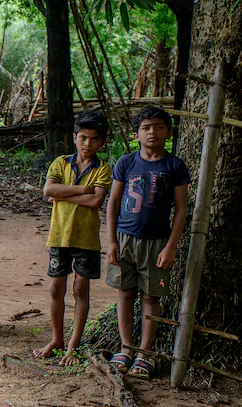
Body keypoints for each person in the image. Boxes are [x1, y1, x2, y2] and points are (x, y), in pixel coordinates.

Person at [106, 106, 190, 378]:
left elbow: (181, 209)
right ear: (137, 134)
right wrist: (111, 241)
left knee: (150, 297)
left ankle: (145, 353)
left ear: (168, 132)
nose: (152, 131)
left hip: (157, 244)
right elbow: (114, 203)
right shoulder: (126, 163)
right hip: (124, 240)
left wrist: (171, 246)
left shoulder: (174, 166)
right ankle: (126, 348)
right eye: (146, 127)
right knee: (125, 293)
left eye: (158, 126)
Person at [35, 111, 112, 366]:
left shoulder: (103, 169)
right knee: (56, 288)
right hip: (59, 237)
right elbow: (48, 189)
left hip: (87, 239)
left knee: (81, 289)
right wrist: (82, 189)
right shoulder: (59, 163)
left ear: (101, 142)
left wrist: (61, 195)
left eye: (94, 139)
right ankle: (56, 339)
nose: (88, 144)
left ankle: (73, 344)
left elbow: (96, 201)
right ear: (74, 138)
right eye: (83, 138)